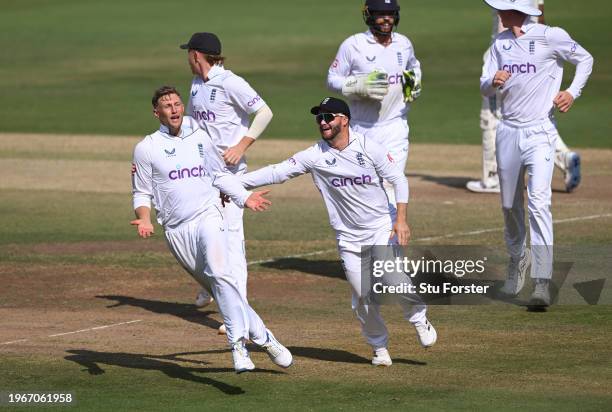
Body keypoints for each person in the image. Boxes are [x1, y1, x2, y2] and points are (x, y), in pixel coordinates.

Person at [241, 97, 436, 366]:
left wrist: (400, 220)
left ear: (344, 120)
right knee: (363, 297)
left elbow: (398, 179)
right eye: (319, 118)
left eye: (328, 117)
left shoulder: (370, 148)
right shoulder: (316, 155)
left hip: (381, 226)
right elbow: (278, 172)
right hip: (348, 236)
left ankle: (418, 317)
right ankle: (379, 347)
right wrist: (234, 183)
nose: (322, 122)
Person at [131, 86, 292, 372]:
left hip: (209, 216)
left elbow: (219, 175)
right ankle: (266, 339)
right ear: (157, 113)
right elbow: (141, 192)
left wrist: (245, 197)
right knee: (222, 289)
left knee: (220, 273)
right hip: (176, 230)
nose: (174, 109)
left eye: (178, 104)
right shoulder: (147, 148)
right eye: (167, 106)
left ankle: (238, 347)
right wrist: (144, 218)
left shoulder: (201, 137)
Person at [480, 0, 593, 307]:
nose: (497, 12)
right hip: (507, 131)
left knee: (540, 203)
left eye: (502, 7)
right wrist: (493, 82)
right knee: (509, 205)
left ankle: (542, 281)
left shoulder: (550, 35)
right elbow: (484, 87)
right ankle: (518, 261)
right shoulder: (498, 44)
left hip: (540, 132)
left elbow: (585, 59)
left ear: (517, 10)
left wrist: (572, 92)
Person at [180, 32, 274, 309]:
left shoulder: (231, 82)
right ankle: (208, 284)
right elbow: (193, 123)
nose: (187, 58)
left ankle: (239, 308)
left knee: (232, 238)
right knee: (199, 229)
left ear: (196, 55)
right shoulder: (197, 83)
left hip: (231, 172)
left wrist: (241, 146)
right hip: (201, 171)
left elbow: (265, 112)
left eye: (188, 53)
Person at [468, 0, 582, 194]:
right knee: (529, 116)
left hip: (508, 47)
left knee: (493, 115)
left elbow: (509, 17)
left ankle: (494, 176)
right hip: (525, 44)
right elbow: (540, 13)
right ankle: (563, 157)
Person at [327, 0, 421, 209]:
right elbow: (332, 79)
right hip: (361, 128)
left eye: (391, 13)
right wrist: (358, 85)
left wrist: (414, 83)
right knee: (364, 185)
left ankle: (389, 239)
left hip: (395, 126)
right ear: (369, 15)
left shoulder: (403, 43)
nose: (386, 18)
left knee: (390, 182)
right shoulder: (353, 45)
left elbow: (413, 66)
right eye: (380, 13)